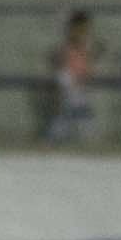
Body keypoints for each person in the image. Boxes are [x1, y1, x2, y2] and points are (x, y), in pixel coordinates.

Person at [45, 10, 100, 143]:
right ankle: (56, 135)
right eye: (81, 27)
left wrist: (87, 69)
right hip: (68, 78)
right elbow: (60, 59)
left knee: (73, 109)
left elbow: (87, 61)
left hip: (78, 79)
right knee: (75, 107)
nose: (83, 30)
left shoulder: (84, 42)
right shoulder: (71, 41)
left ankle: (55, 135)